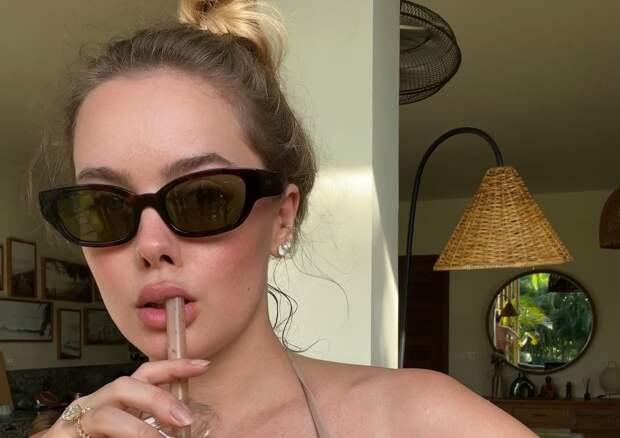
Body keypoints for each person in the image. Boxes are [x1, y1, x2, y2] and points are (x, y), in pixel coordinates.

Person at [28, 0, 536, 436]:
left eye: (204, 197)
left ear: (282, 217)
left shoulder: (418, 420)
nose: (150, 244)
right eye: (105, 206)